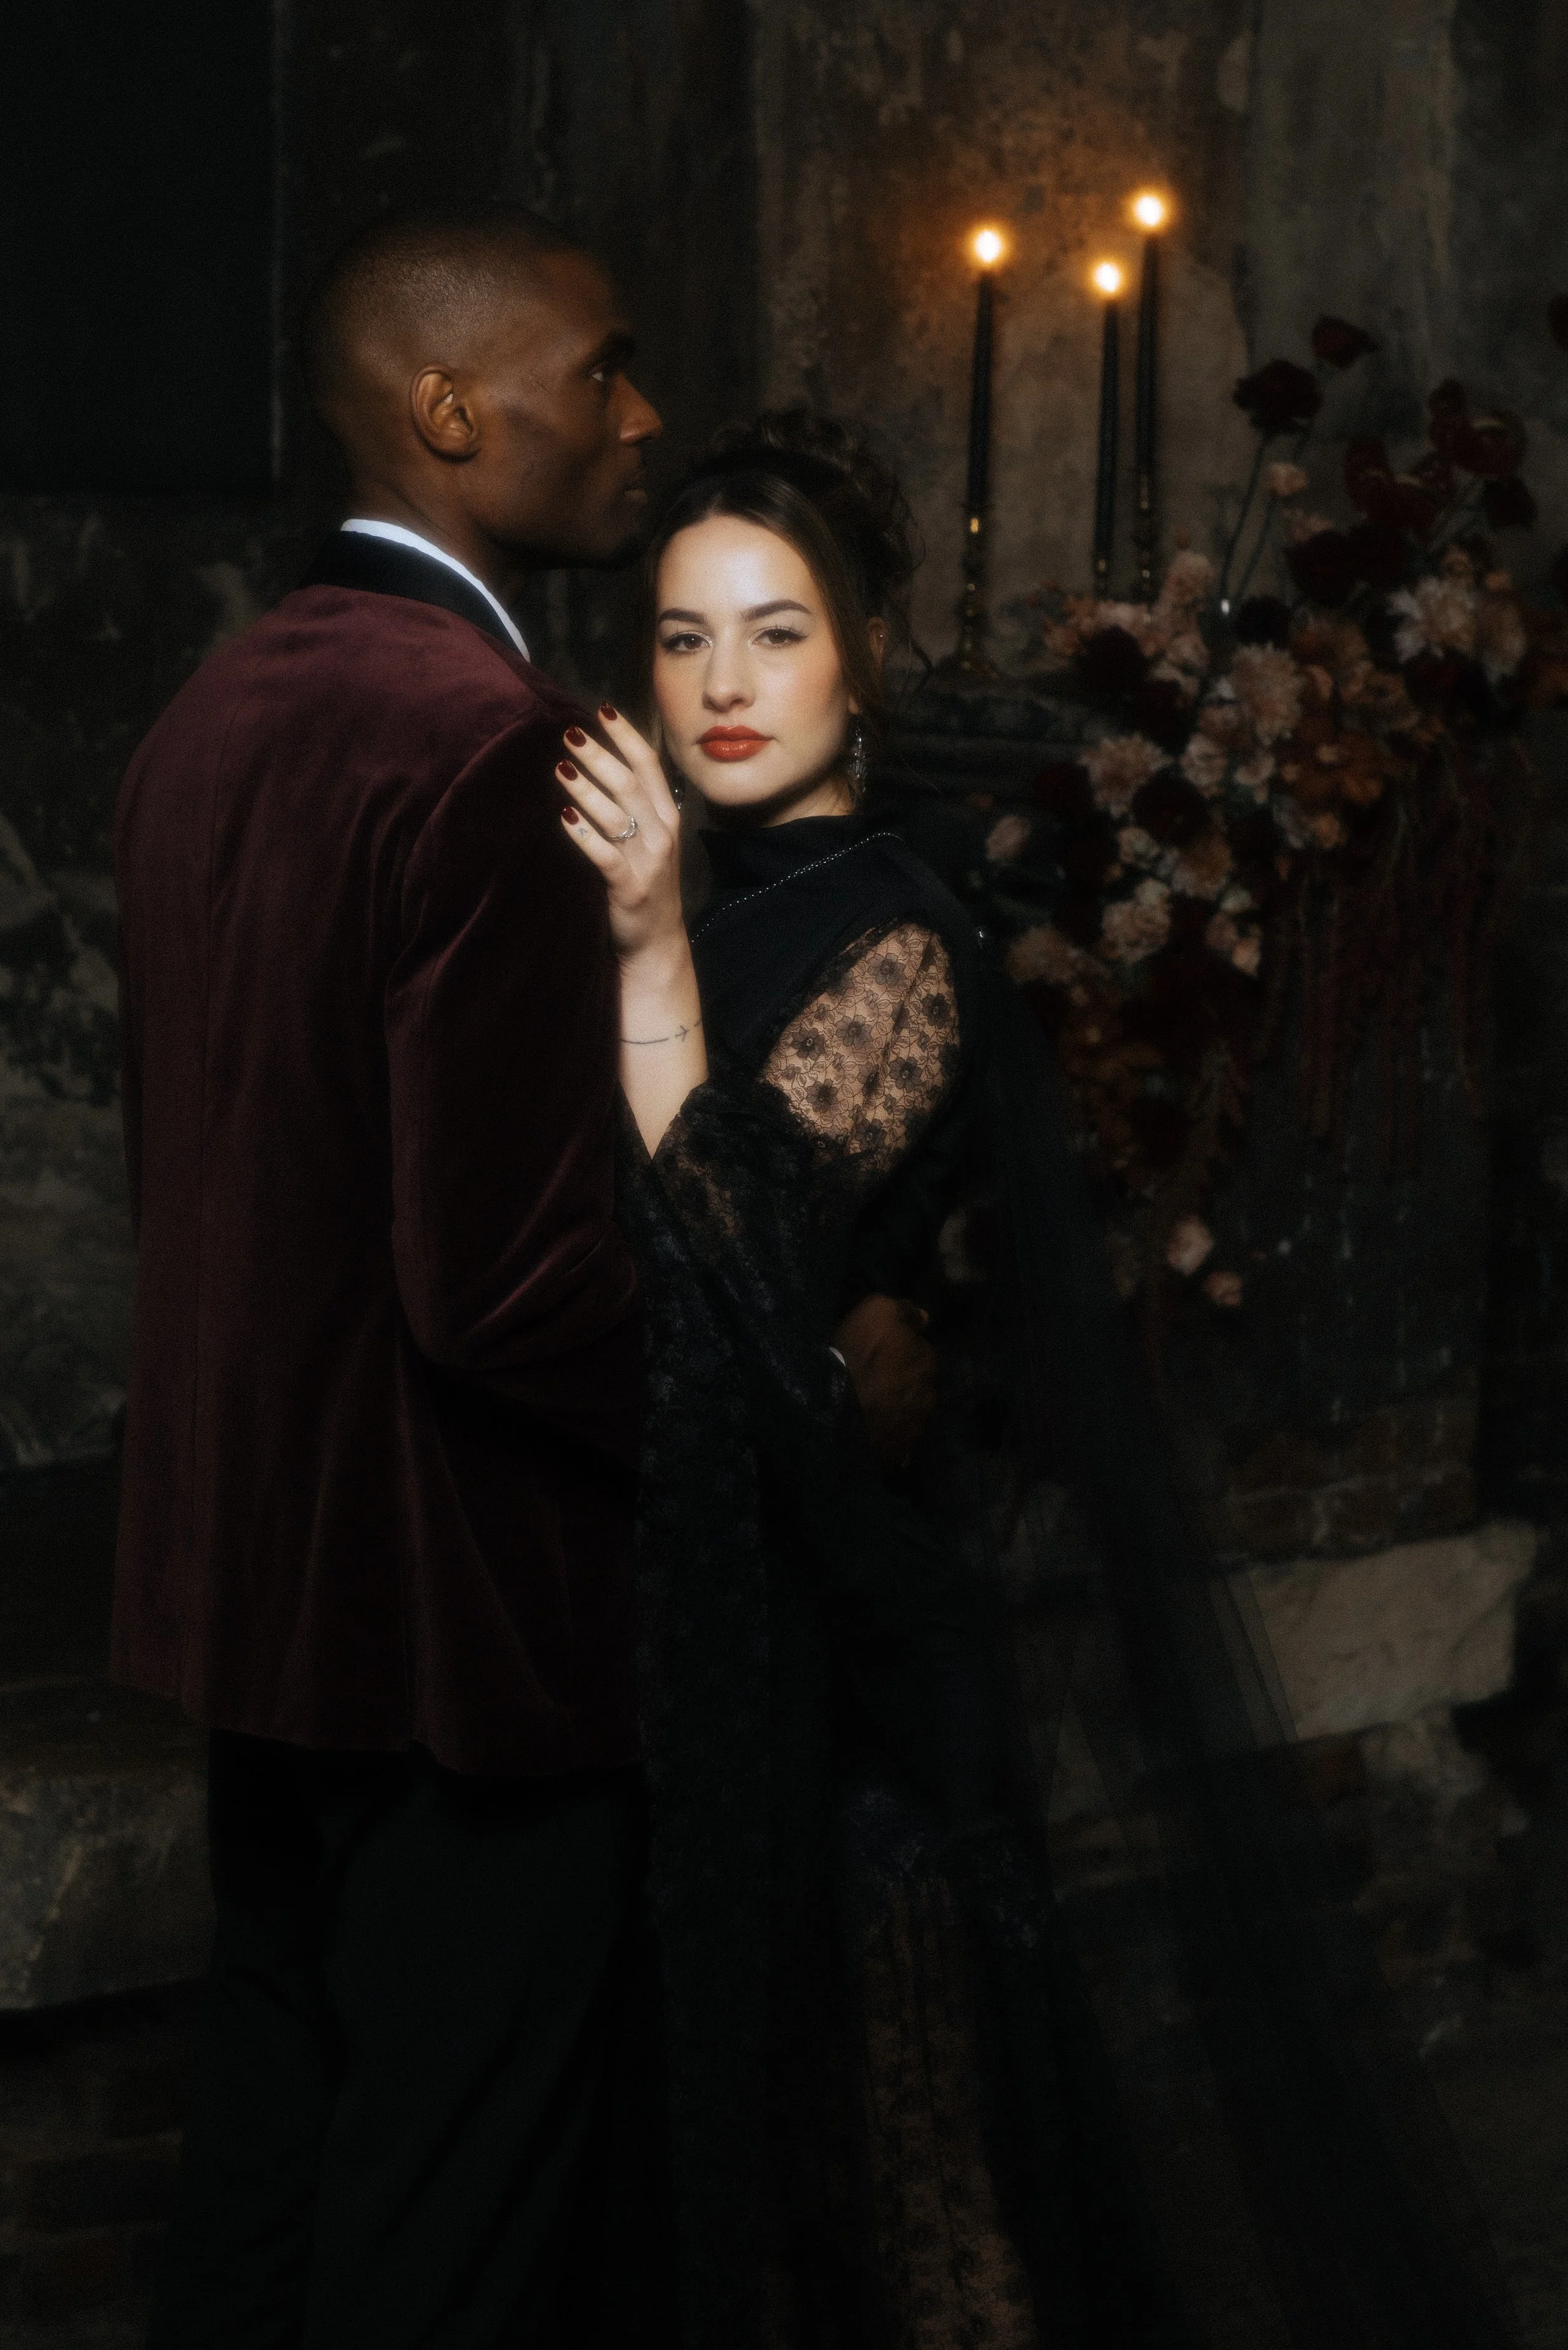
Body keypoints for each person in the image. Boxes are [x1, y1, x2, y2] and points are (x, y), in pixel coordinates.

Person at [558, 414, 1523, 2349]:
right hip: (673, 1631)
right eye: (680, 641)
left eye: (775, 630)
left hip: (847, 1663)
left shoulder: (897, 937)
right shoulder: (683, 887)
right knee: (733, 2198)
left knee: (919, 2175)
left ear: (869, 652)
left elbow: (730, 1254)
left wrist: (651, 958)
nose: (724, 686)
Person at [112, 208, 668, 2347]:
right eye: (599, 369)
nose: (639, 415)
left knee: (266, 2155)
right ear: (445, 411)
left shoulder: (214, 706)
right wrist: (750, 1392)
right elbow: (508, 1285)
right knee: (446, 2227)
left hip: (260, 1608)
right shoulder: (483, 738)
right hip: (462, 1638)